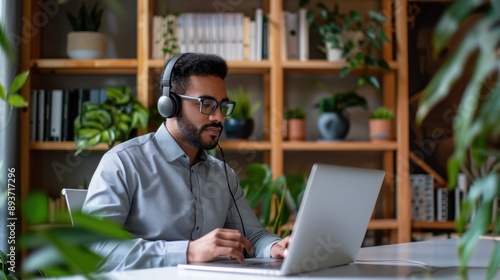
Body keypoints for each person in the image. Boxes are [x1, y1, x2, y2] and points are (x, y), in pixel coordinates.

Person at [82, 53, 290, 271]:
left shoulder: (223, 174)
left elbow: (254, 236)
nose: (219, 117)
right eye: (207, 104)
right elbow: (95, 246)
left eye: (223, 106)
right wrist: (188, 252)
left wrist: (276, 246)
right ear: (170, 105)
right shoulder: (123, 163)